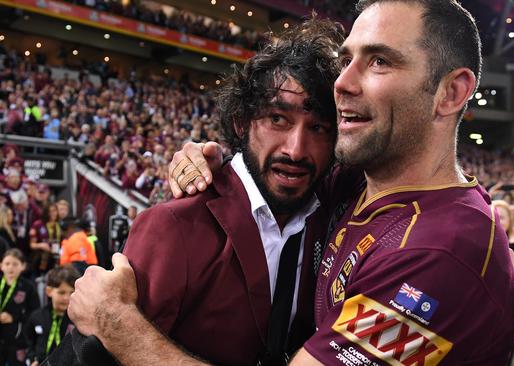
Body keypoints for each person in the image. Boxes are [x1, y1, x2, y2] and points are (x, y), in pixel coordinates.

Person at [67, 1, 514, 365]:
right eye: (348, 58)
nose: (343, 82)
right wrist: (219, 155)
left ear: (451, 92)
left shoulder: (437, 253)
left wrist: (118, 326)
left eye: (378, 60)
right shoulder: (355, 183)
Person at [63, 18, 345, 366]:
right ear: (242, 122)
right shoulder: (173, 225)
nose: (297, 149)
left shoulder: (335, 214)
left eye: (318, 127)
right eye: (277, 119)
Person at [25, 265, 80, 366]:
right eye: (61, 292)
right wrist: (32, 359)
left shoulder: (78, 320)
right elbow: (28, 343)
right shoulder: (36, 316)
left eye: (72, 292)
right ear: (49, 291)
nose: (66, 298)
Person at [0, 248, 40, 366]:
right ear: (1, 265)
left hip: (18, 339)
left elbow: (35, 313)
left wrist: (14, 317)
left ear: (23, 266)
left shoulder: (28, 287)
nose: (10, 267)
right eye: (7, 264)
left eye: (15, 264)